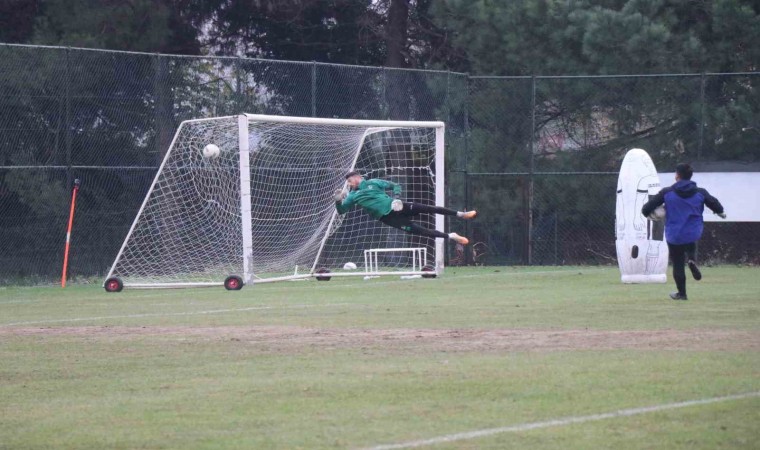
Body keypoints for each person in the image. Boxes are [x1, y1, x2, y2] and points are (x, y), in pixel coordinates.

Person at [641, 163, 726, 300]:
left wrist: (650, 213)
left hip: (674, 234)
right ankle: (692, 259)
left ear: (677, 176)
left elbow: (646, 208)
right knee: (691, 240)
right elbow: (715, 203)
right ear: (690, 176)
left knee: (678, 262)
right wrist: (720, 212)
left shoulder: (667, 192)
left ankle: (682, 294)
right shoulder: (700, 192)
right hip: (693, 231)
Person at [334, 171, 476, 245]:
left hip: (396, 206)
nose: (349, 184)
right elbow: (341, 211)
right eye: (347, 182)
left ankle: (460, 214)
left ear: (357, 178)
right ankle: (451, 236)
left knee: (428, 208)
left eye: (350, 180)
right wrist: (338, 201)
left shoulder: (373, 182)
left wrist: (396, 197)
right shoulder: (352, 196)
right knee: (420, 231)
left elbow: (395, 185)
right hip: (387, 218)